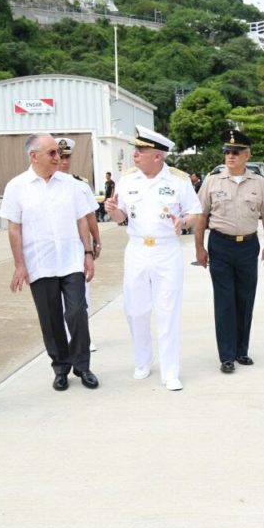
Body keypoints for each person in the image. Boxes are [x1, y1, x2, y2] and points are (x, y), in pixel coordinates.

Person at [0, 133, 100, 391]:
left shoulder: (71, 185)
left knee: (77, 311)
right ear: (34, 156)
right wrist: (19, 264)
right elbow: (14, 229)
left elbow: (81, 219)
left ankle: (82, 365)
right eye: (52, 153)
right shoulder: (17, 187)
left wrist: (88, 253)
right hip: (39, 262)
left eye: (58, 152)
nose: (59, 158)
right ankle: (61, 367)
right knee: (50, 318)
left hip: (71, 259)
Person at [104, 126, 201, 391]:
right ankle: (142, 360)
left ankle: (170, 371)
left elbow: (195, 213)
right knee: (136, 310)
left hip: (166, 250)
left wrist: (183, 222)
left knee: (168, 311)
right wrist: (111, 210)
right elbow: (121, 217)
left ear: (157, 156)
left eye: (141, 151)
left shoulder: (179, 181)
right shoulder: (127, 180)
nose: (135, 155)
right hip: (136, 249)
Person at [194, 129, 264, 374]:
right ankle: (227, 355)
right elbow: (202, 216)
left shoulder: (259, 183)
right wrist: (199, 247)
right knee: (224, 300)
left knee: (245, 298)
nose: (230, 156)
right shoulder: (212, 181)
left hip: (248, 246)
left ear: (247, 155)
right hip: (220, 245)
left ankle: (242, 350)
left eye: (236, 152)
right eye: (227, 152)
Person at [57, 138, 100, 352]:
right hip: (55, 249)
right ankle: (66, 339)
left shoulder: (80, 184)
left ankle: (84, 337)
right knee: (59, 304)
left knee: (82, 297)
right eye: (60, 156)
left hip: (77, 246)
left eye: (67, 157)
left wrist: (96, 241)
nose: (64, 162)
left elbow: (90, 216)